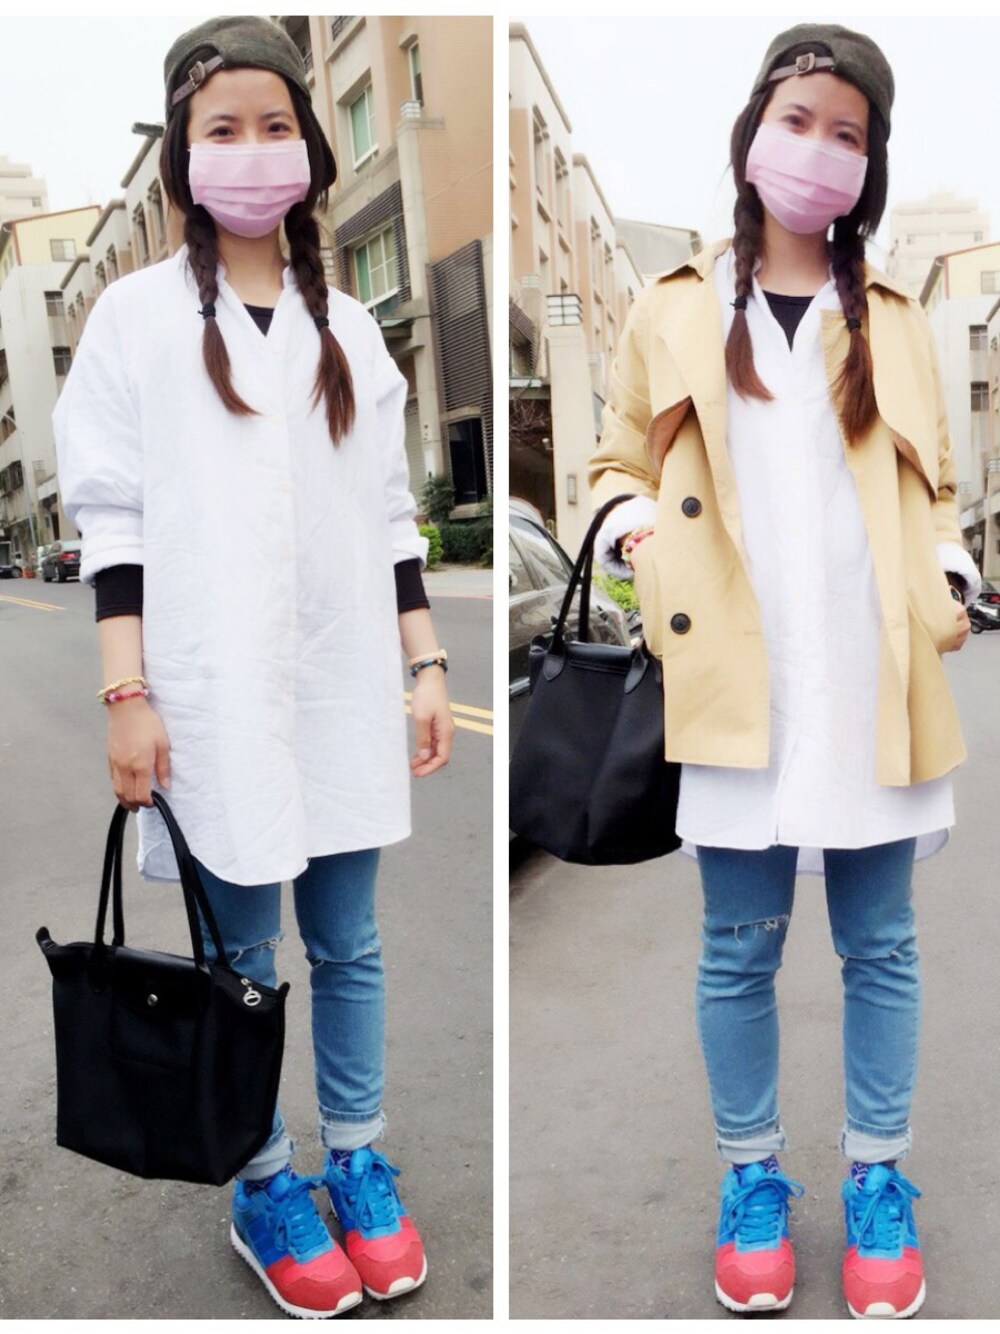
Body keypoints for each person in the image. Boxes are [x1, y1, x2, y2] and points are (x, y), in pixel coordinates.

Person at [54, 16, 455, 1321]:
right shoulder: (134, 319)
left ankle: (358, 1159)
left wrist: (427, 659)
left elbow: (390, 515)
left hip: (340, 683)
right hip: (210, 692)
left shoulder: (353, 332)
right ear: (183, 154)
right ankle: (265, 1177)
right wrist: (127, 692)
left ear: (312, 147)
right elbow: (112, 520)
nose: (251, 147)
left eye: (274, 123)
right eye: (221, 127)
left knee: (350, 942)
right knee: (244, 954)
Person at [589, 23, 979, 1321]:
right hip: (734, 676)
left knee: (883, 946)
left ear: (871, 165)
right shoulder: (673, 307)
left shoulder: (899, 321)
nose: (818, 149)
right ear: (753, 131)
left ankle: (877, 1176)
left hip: (873, 673)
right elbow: (615, 464)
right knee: (736, 950)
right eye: (798, 120)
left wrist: (949, 577)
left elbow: (937, 494)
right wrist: (636, 533)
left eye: (847, 134)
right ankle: (752, 1175)